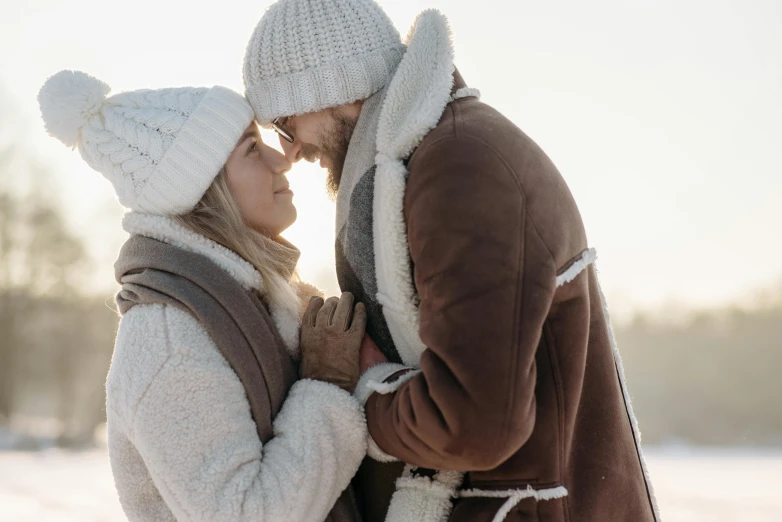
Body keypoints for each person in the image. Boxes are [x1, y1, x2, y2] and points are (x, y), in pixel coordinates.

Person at [242, 1, 661, 521]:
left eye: (285, 123)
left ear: (337, 90)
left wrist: (365, 390)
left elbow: (474, 421)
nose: (290, 152)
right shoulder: (433, 159)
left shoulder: (460, 167)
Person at [38, 70, 368, 522]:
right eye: (252, 149)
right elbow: (250, 513)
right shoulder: (169, 340)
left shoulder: (258, 303)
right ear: (206, 192)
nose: (281, 160)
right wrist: (328, 382)